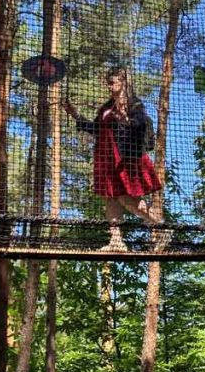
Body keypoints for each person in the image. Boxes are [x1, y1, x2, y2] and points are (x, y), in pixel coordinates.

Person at [63, 66, 169, 252]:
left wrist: (126, 120)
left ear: (123, 82)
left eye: (112, 82)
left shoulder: (134, 104)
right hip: (105, 158)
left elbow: (141, 125)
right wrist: (74, 115)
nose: (108, 86)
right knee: (110, 198)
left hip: (124, 157)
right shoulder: (106, 107)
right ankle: (116, 241)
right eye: (108, 82)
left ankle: (161, 227)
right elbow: (96, 129)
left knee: (128, 200)